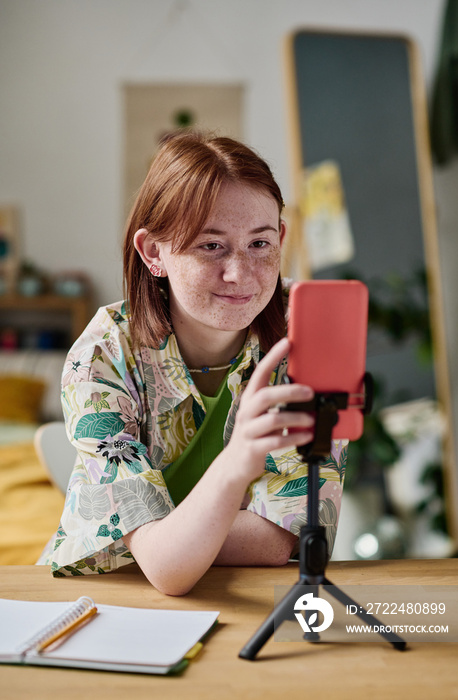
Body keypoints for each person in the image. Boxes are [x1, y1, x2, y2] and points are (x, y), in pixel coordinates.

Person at [43, 131, 347, 595]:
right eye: (212, 246)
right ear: (153, 252)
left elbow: (281, 540)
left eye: (260, 243)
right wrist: (239, 462)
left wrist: (166, 537)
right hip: (118, 599)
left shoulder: (311, 338)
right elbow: (167, 571)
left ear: (280, 238)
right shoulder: (103, 357)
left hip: (254, 593)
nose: (240, 273)